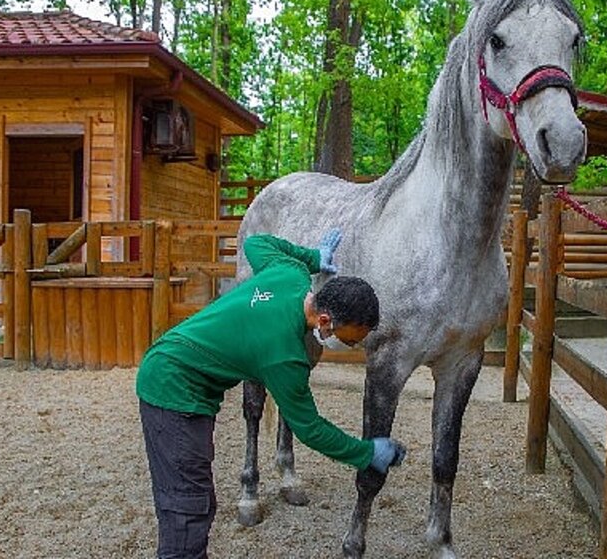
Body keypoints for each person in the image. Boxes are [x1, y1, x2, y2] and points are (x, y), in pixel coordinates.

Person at [135, 229, 407, 559]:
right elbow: (310, 428)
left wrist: (312, 257)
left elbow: (255, 243)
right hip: (173, 387)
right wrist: (366, 453)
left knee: (198, 498)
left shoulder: (290, 274)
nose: (350, 346)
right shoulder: (284, 356)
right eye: (348, 340)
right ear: (324, 320)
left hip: (180, 373)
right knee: (186, 504)